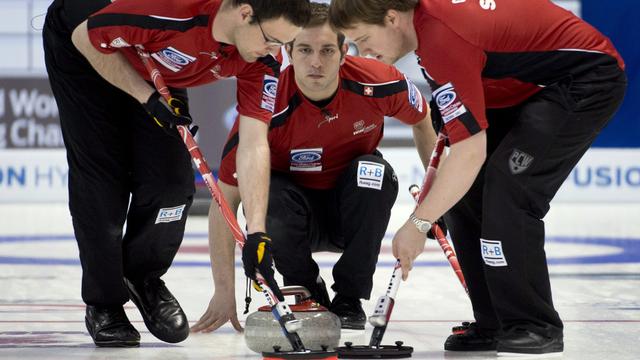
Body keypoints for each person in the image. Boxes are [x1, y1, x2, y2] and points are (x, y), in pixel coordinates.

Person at [329, 0, 627, 355]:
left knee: (509, 190)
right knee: (464, 194)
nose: (364, 52)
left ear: (392, 19)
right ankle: (494, 321)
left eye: (363, 39)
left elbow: (470, 152)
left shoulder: (440, 35)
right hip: (520, 86)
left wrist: (419, 222)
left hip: (582, 79)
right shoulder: (424, 32)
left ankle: (534, 325)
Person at [42, 0, 311, 347]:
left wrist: (257, 230)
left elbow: (255, 143)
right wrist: (145, 97)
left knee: (172, 185)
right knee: (102, 182)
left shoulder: (261, 59)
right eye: (271, 39)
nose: (274, 52)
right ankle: (105, 302)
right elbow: (86, 38)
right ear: (245, 14)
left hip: (153, 55)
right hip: (85, 40)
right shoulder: (170, 11)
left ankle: (143, 276)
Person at [190, 2, 435, 332]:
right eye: (304, 50)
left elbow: (423, 122)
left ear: (344, 52)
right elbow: (225, 202)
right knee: (265, 193)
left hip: (349, 213)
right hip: (290, 219)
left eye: (326, 50)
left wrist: (432, 206)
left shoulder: (379, 82)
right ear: (288, 51)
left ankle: (350, 297)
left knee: (373, 172)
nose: (316, 62)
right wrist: (223, 292)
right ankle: (306, 291)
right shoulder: (265, 107)